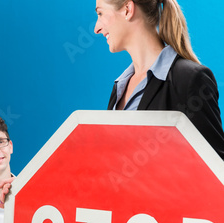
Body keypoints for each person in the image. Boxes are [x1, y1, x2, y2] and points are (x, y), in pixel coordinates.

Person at [94, 0, 224, 159]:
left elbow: (215, 170)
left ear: (127, 9)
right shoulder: (120, 87)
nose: (96, 28)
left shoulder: (188, 80)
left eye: (100, 13)